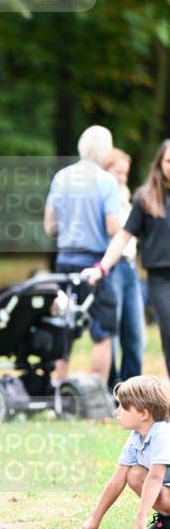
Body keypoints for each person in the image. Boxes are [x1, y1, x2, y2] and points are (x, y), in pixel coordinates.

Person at [84, 140, 170, 377]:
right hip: (161, 277)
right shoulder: (146, 198)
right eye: (169, 161)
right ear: (160, 164)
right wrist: (101, 268)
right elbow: (122, 236)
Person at [43, 125, 119, 382]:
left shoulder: (62, 177)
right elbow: (112, 228)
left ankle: (56, 388)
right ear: (106, 150)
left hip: (64, 261)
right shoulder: (107, 181)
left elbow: (49, 225)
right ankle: (98, 393)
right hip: (94, 265)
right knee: (102, 331)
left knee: (65, 326)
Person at [80, 375, 170, 529]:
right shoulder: (136, 436)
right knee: (134, 473)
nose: (117, 412)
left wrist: (140, 518)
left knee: (147, 479)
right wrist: (95, 518)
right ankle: (167, 521)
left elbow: (155, 478)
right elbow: (117, 479)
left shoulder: (162, 434)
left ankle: (166, 520)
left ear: (143, 414)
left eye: (123, 407)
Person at [100, 147, 145, 383]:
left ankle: (132, 388)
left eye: (125, 173)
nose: (121, 178)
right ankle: (112, 386)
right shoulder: (105, 199)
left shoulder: (127, 199)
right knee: (112, 332)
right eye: (117, 172)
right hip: (113, 269)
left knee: (136, 335)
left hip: (130, 268)